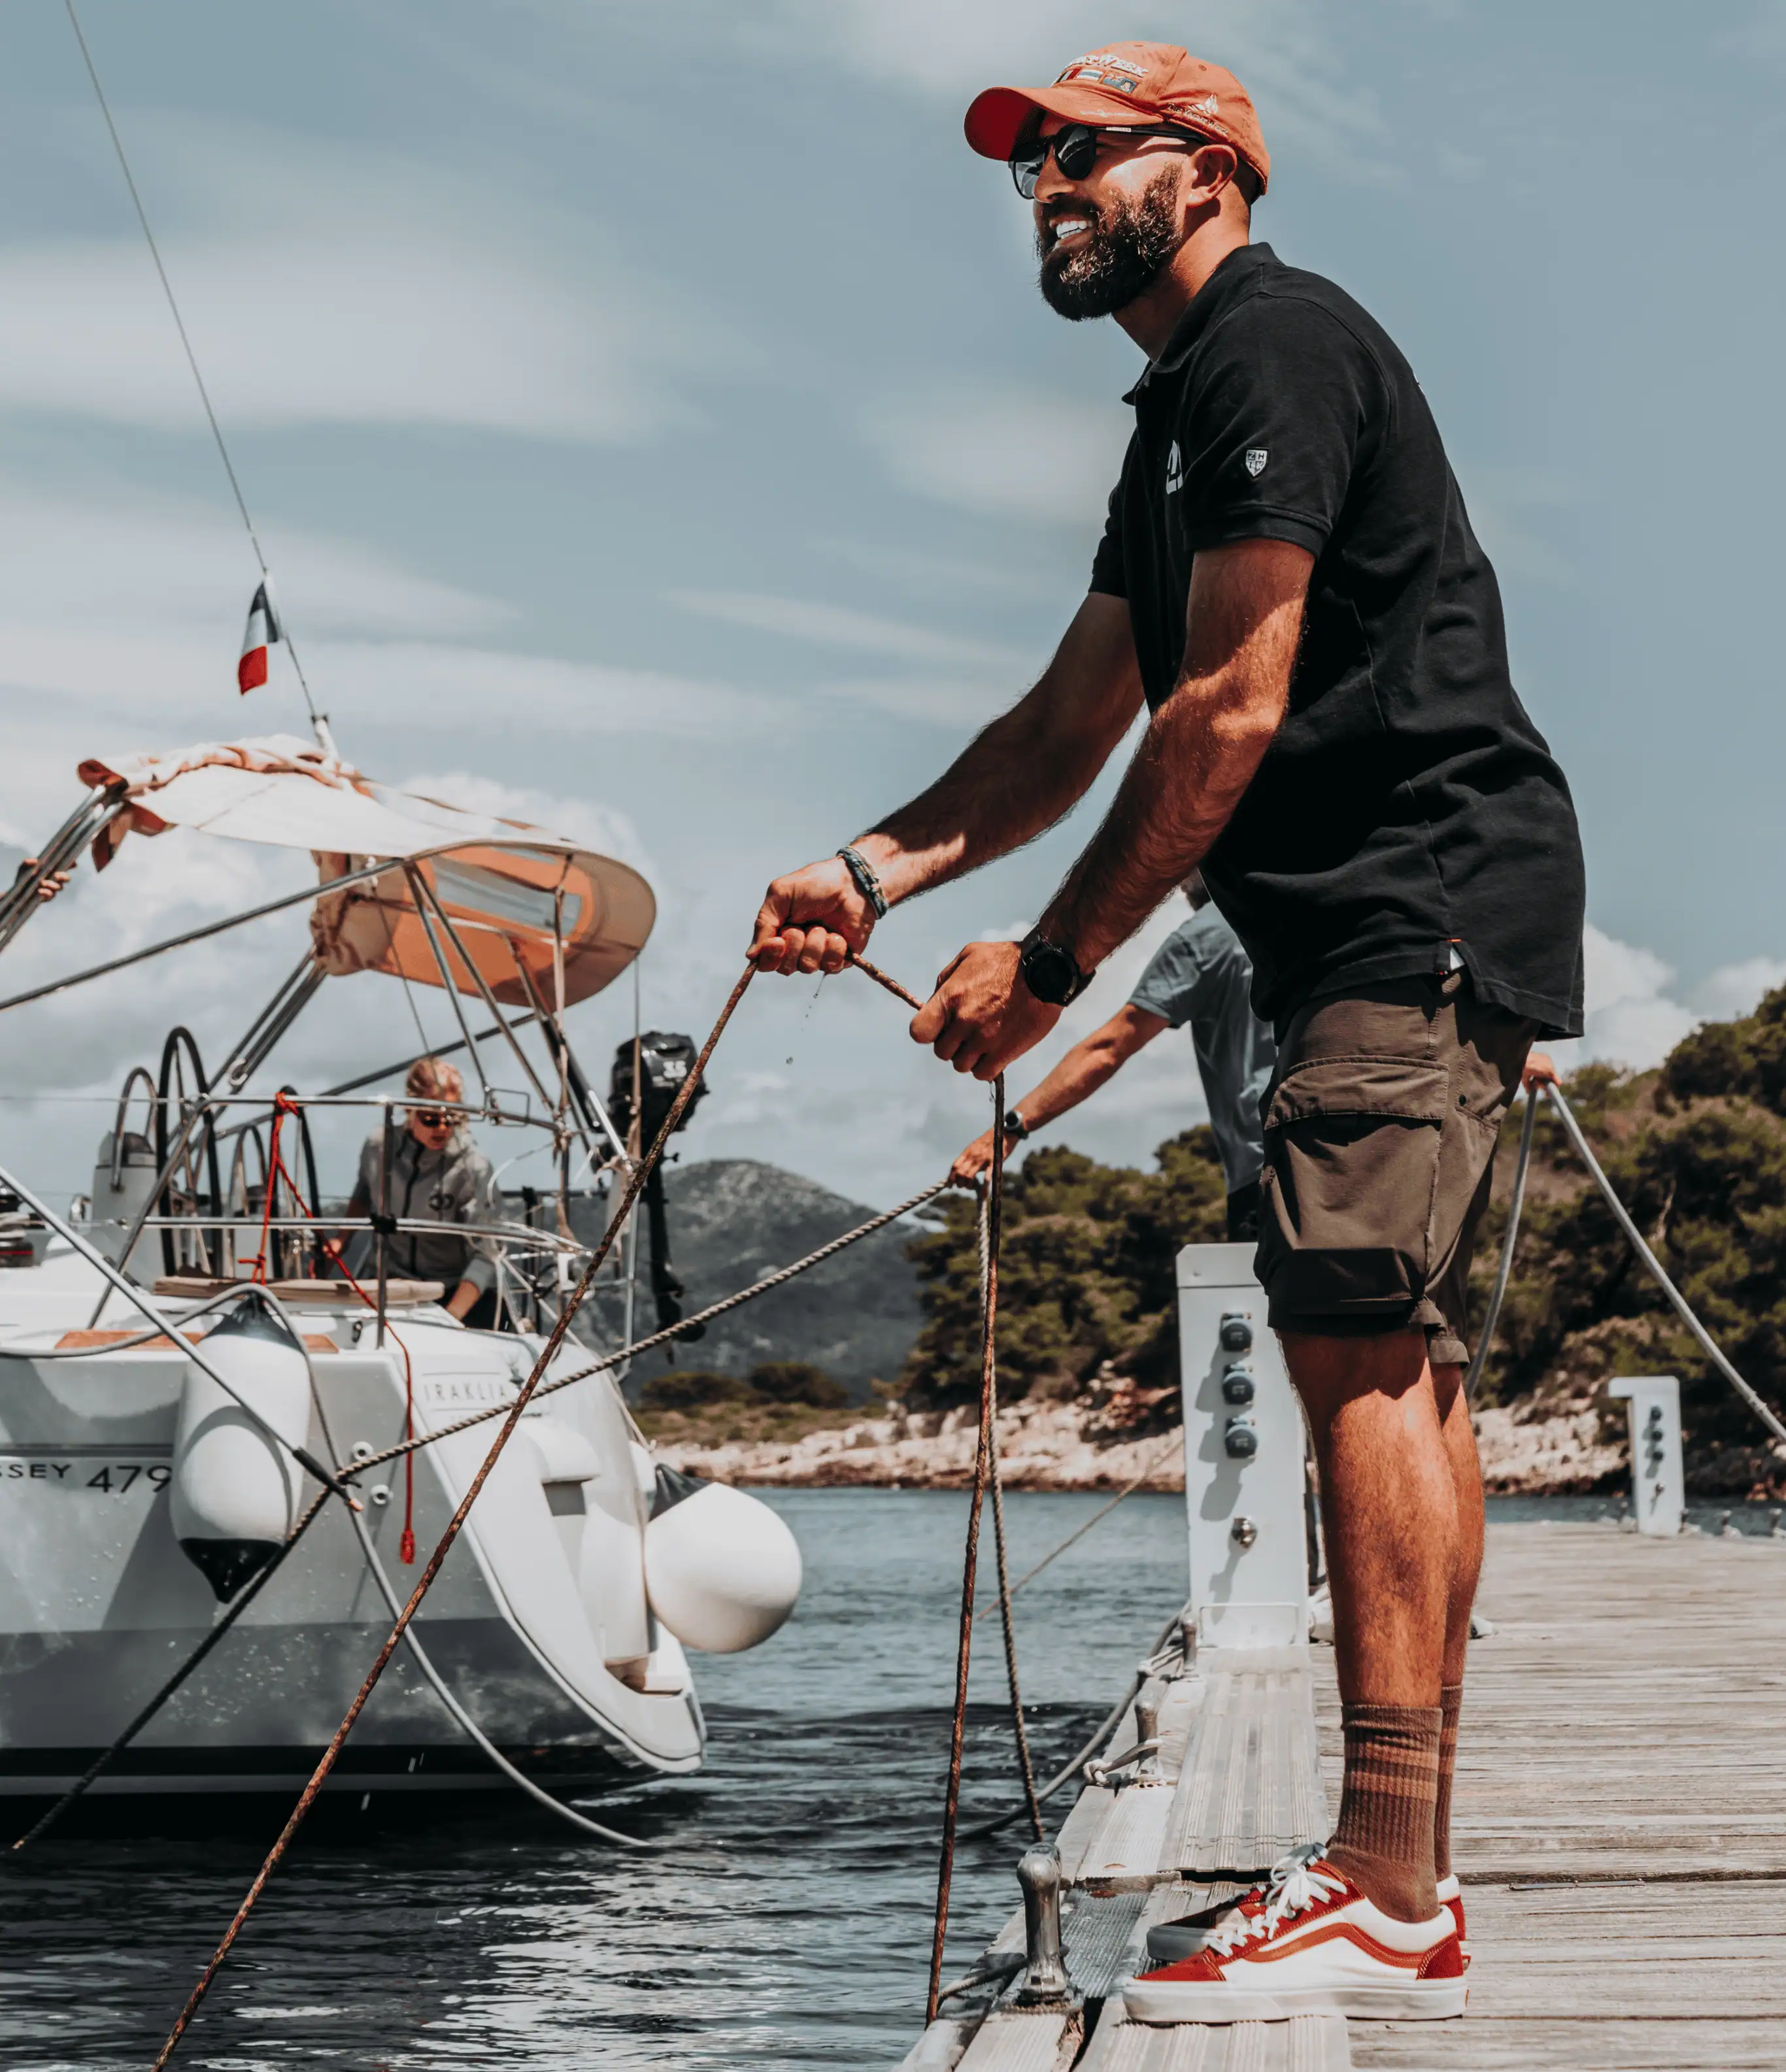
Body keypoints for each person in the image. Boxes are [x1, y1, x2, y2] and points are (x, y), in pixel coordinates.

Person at [749, 41, 1585, 2020]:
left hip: (1413, 891)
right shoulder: (1170, 426)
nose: (1039, 183)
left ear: (1202, 171)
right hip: (1380, 911)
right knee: (1400, 1355)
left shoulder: (1265, 348)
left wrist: (1041, 974)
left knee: (1354, 1333)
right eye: (1021, 162)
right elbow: (1067, 723)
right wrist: (869, 874)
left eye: (1075, 151)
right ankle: (1411, 1871)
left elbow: (1219, 709)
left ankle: (1380, 1875)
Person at [951, 873, 1275, 1241]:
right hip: (1343, 1146)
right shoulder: (1305, 915)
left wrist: (1010, 1129)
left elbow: (1109, 1048)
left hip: (1269, 1168)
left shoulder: (1204, 938)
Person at [341, 1058, 502, 1325]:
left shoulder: (473, 1168)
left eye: (452, 1118)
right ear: (409, 1109)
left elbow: (487, 1253)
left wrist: (451, 1320)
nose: (442, 1128)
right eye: (431, 1118)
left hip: (448, 1293)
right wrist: (340, 1240)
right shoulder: (378, 1148)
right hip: (386, 1288)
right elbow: (363, 1193)